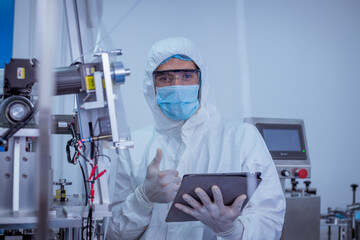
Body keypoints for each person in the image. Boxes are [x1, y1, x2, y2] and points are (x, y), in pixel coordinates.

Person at [107, 37, 285, 240]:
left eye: (187, 76)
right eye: (165, 78)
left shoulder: (242, 139)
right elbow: (113, 234)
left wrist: (230, 230)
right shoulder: (132, 147)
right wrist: (143, 199)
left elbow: (270, 220)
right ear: (151, 85)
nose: (177, 85)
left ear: (202, 81)